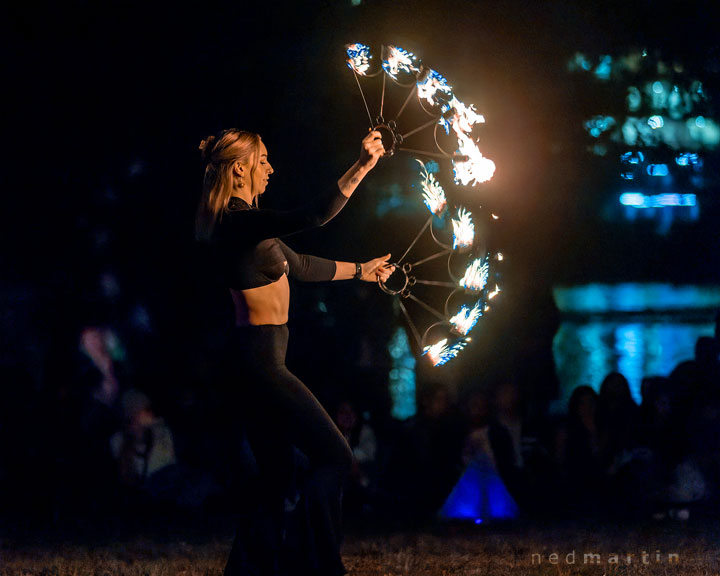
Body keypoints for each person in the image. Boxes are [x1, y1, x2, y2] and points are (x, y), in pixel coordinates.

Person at [194, 128, 393, 576]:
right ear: (240, 167)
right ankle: (317, 565)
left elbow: (301, 265)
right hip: (261, 365)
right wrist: (361, 166)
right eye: (262, 159)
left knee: (276, 482)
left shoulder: (249, 227)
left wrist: (363, 271)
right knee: (335, 457)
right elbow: (316, 215)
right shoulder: (237, 223)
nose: (270, 167)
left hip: (263, 362)